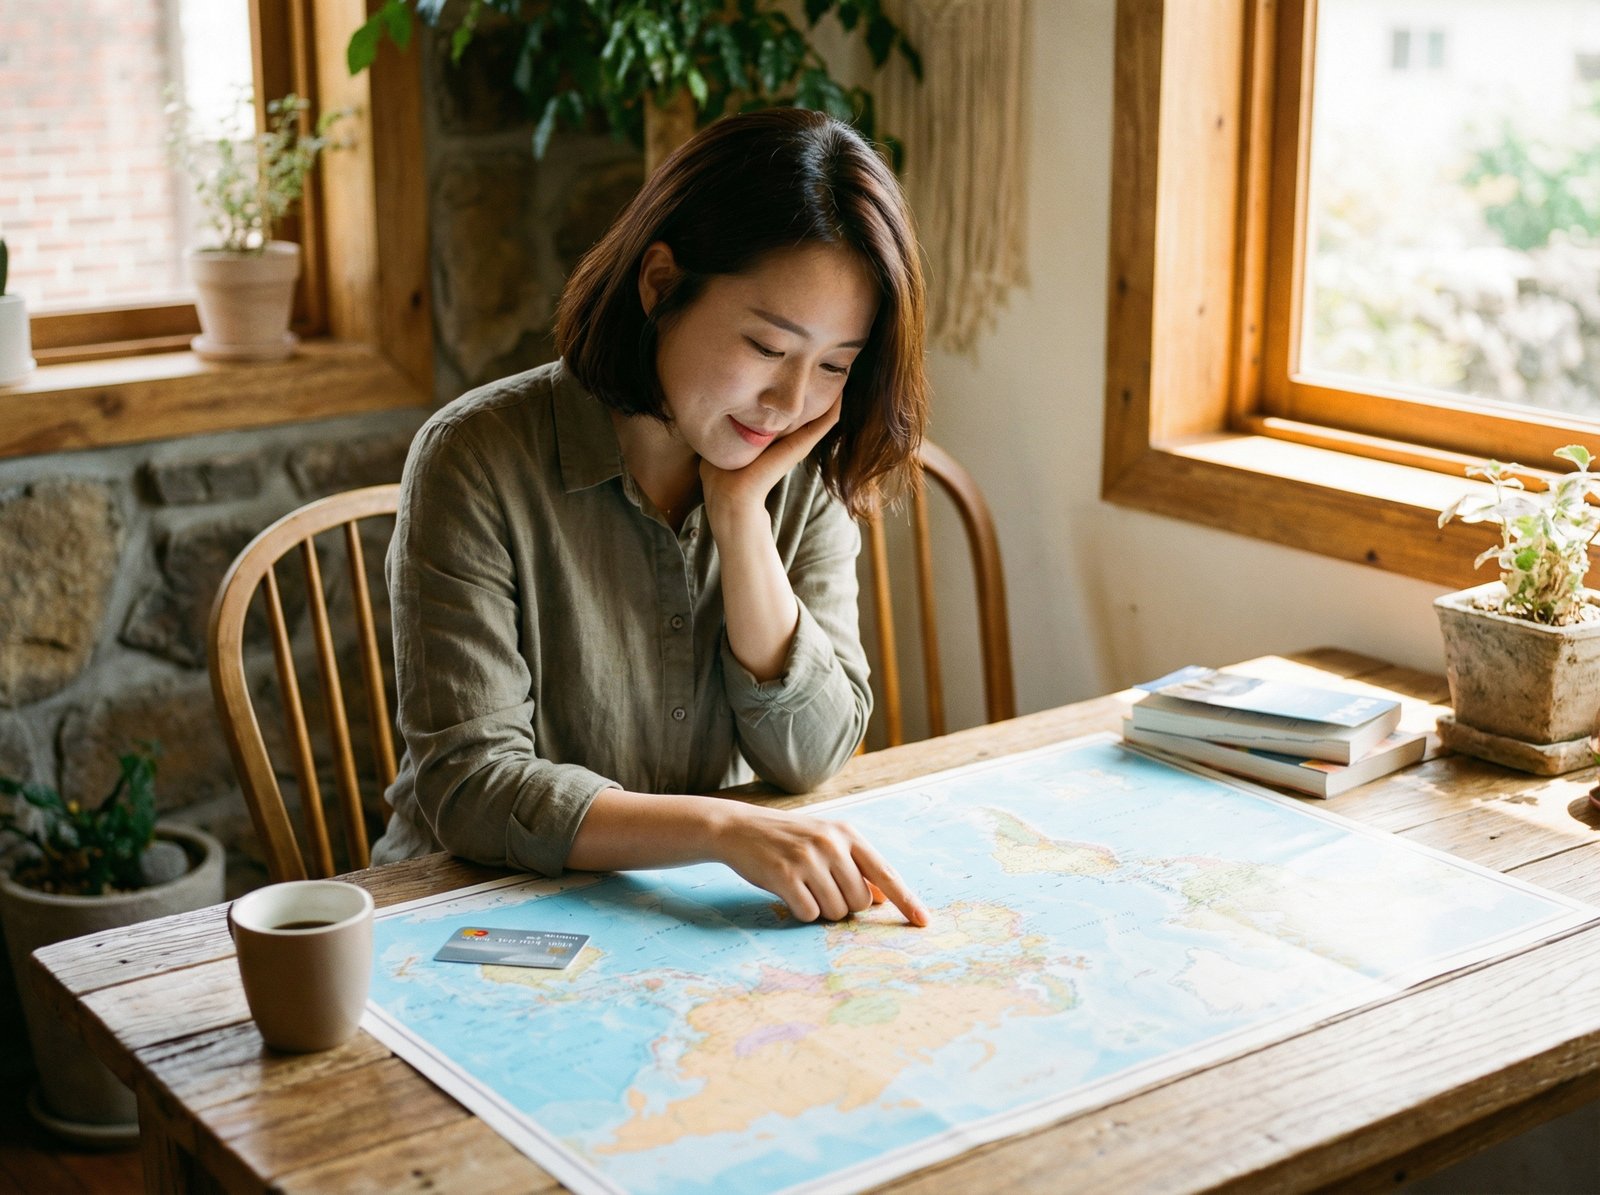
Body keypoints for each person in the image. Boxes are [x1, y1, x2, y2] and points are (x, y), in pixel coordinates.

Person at [371, 108, 931, 928]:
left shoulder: (800, 473)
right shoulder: (473, 457)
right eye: (769, 348)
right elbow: (471, 786)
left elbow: (811, 753)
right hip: (473, 914)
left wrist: (739, 516)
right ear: (661, 283)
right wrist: (719, 826)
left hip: (682, 917)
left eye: (834, 365)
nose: (790, 402)